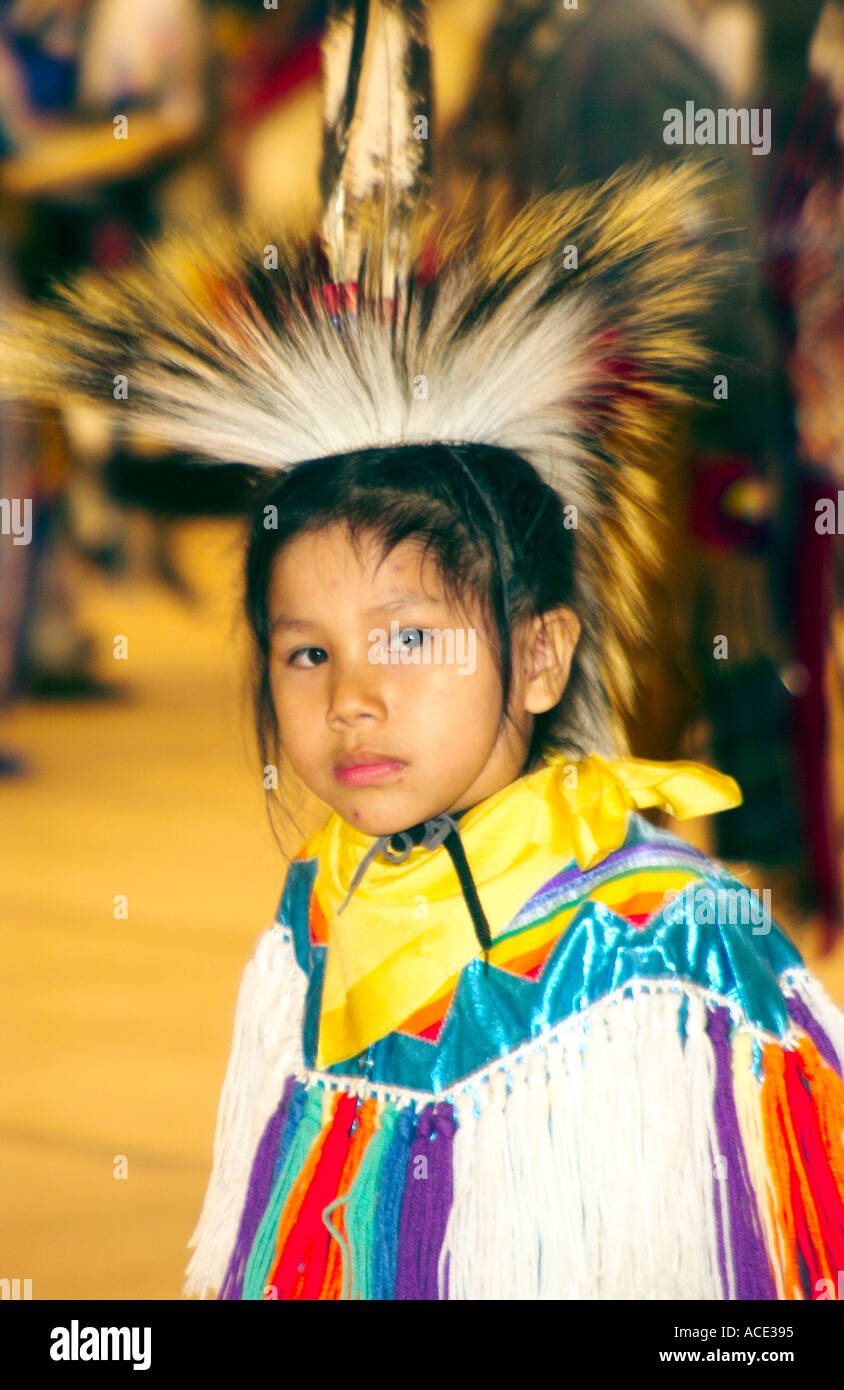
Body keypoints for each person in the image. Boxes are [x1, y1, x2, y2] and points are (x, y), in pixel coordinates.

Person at [2, 1, 843, 1304]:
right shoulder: (318, 924)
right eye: (304, 653)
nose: (355, 696)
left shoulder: (667, 963)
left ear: (546, 652)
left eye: (411, 635)